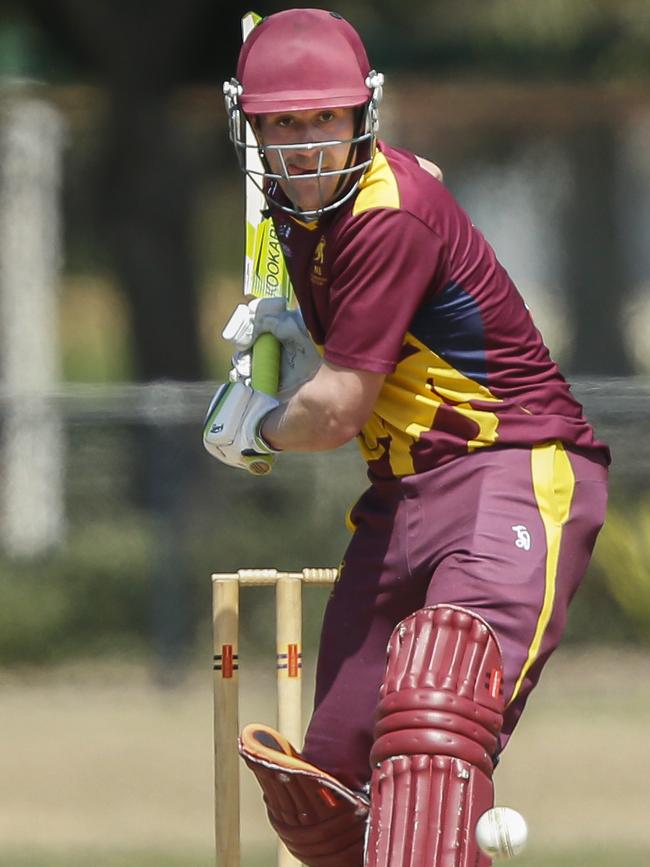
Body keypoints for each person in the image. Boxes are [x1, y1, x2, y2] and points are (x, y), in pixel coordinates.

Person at [204, 9, 610, 867]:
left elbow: (339, 408)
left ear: (363, 113)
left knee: (435, 717)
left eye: (325, 118)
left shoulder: (386, 215)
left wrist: (257, 425)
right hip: (401, 501)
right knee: (326, 792)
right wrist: (287, 339)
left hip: (512, 468)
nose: (308, 143)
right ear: (252, 127)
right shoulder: (301, 211)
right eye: (283, 123)